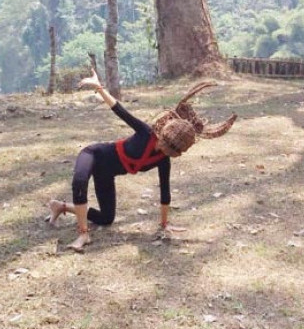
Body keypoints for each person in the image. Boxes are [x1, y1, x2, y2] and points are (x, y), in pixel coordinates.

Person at [47, 69, 236, 252]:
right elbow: (119, 110)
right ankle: (83, 235)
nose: (165, 150)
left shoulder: (164, 160)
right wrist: (99, 87)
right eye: (166, 145)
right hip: (94, 155)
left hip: (106, 174)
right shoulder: (146, 133)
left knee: (106, 218)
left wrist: (164, 224)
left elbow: (165, 192)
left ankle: (61, 206)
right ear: (164, 134)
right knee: (80, 182)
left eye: (171, 151)